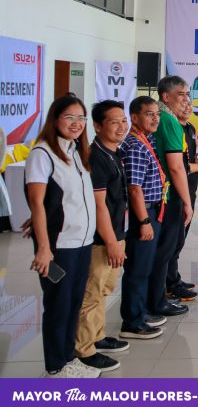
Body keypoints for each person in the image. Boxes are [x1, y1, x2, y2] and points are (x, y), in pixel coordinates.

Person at [26, 94, 100, 378]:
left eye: (81, 118)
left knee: (73, 303)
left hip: (82, 242)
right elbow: (36, 203)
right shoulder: (42, 154)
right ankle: (55, 367)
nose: (77, 123)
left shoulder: (75, 153)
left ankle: (69, 358)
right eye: (70, 117)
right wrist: (43, 248)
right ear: (55, 119)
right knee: (58, 306)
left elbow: (57, 200)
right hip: (60, 246)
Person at [75, 100, 130, 373]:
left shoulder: (113, 152)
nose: (122, 126)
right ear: (97, 126)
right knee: (92, 293)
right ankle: (84, 350)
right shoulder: (95, 157)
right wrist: (111, 242)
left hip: (117, 232)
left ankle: (97, 336)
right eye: (114, 122)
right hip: (101, 239)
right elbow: (99, 206)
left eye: (123, 120)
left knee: (105, 290)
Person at [118, 97, 166, 340]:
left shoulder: (146, 140)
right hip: (143, 214)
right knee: (138, 268)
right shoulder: (135, 146)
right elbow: (134, 188)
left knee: (144, 266)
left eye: (156, 113)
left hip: (151, 210)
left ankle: (140, 311)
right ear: (134, 117)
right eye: (149, 114)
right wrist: (145, 222)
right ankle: (133, 322)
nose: (155, 118)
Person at [150, 76, 195, 318]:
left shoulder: (162, 117)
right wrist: (187, 202)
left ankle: (159, 294)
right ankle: (158, 300)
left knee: (164, 248)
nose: (186, 99)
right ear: (166, 96)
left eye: (187, 94)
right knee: (165, 248)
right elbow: (176, 167)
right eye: (181, 94)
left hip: (161, 193)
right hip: (169, 194)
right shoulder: (169, 121)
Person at [166, 101, 198, 300]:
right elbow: (181, 166)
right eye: (182, 102)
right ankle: (170, 284)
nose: (187, 106)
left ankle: (173, 278)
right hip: (176, 191)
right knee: (173, 241)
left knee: (180, 239)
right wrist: (197, 167)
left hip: (190, 189)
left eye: (189, 103)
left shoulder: (189, 128)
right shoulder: (172, 128)